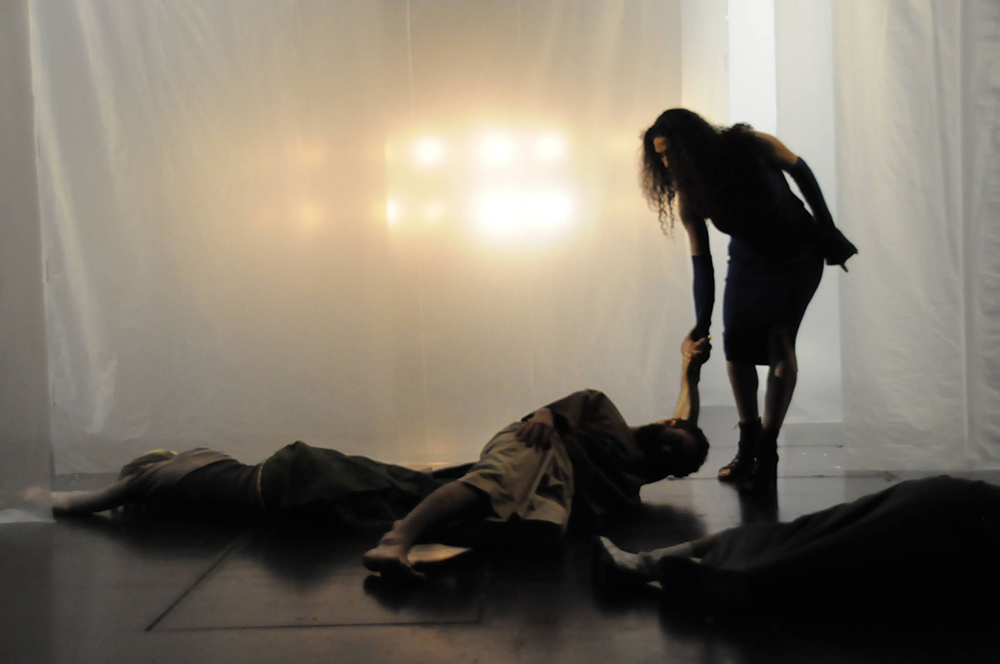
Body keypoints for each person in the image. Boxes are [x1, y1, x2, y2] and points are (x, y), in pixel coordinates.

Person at [51, 336, 712, 581]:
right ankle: (401, 537)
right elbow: (582, 408)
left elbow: (676, 433)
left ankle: (419, 530)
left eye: (676, 465)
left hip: (534, 490)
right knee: (503, 482)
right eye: (671, 443)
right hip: (534, 451)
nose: (666, 459)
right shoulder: (604, 416)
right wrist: (545, 414)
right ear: (661, 426)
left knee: (540, 532)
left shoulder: (627, 486)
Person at [640, 108, 858, 488]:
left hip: (797, 252)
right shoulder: (689, 195)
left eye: (670, 152)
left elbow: (802, 173)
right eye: (660, 156)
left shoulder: (752, 145)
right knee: (736, 346)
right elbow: (701, 262)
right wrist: (702, 323)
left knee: (779, 338)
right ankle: (748, 442)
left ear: (691, 143)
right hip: (749, 260)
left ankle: (768, 446)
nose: (666, 162)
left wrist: (828, 230)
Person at [595, 475, 1000, 627]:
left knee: (824, 552)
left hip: (963, 520)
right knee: (823, 549)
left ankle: (663, 567)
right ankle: (659, 565)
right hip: (963, 515)